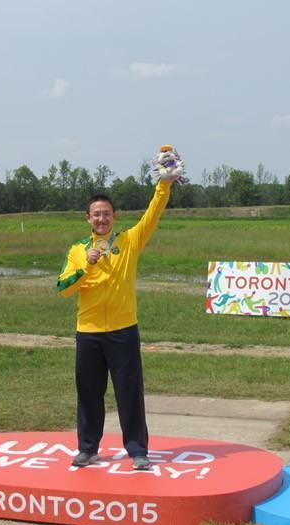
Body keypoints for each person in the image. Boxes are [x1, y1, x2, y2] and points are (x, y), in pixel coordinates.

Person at [57, 146, 182, 470]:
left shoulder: (128, 241)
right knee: (89, 393)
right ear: (88, 219)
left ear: (114, 217)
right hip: (89, 334)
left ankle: (137, 450)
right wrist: (86, 266)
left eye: (107, 213)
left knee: (129, 392)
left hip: (124, 330)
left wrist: (164, 184)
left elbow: (152, 214)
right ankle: (88, 448)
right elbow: (63, 289)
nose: (102, 218)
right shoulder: (77, 251)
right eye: (96, 214)